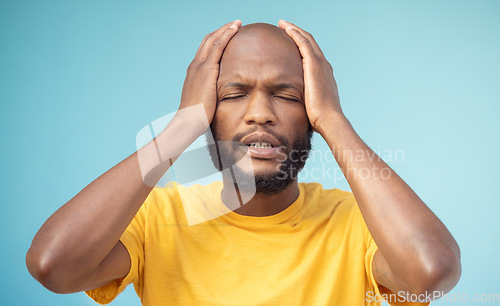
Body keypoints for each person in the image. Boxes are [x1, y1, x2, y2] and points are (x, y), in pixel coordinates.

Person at [26, 20, 461, 305]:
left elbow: (432, 274)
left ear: (310, 113)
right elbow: (53, 266)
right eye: (233, 95)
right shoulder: (159, 218)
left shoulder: (357, 222)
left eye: (288, 96)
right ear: (209, 110)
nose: (259, 113)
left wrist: (334, 118)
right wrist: (182, 125)